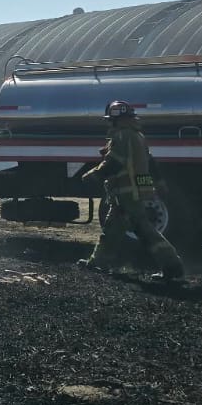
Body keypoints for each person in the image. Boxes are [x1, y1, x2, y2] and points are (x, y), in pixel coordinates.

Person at [79, 100, 186, 280]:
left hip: (127, 193)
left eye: (110, 120)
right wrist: (159, 182)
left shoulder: (122, 136)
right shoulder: (138, 136)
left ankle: (172, 266)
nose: (109, 123)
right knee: (114, 229)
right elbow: (151, 162)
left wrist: (93, 175)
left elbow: (114, 162)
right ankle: (98, 263)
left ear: (116, 120)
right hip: (134, 192)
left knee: (146, 232)